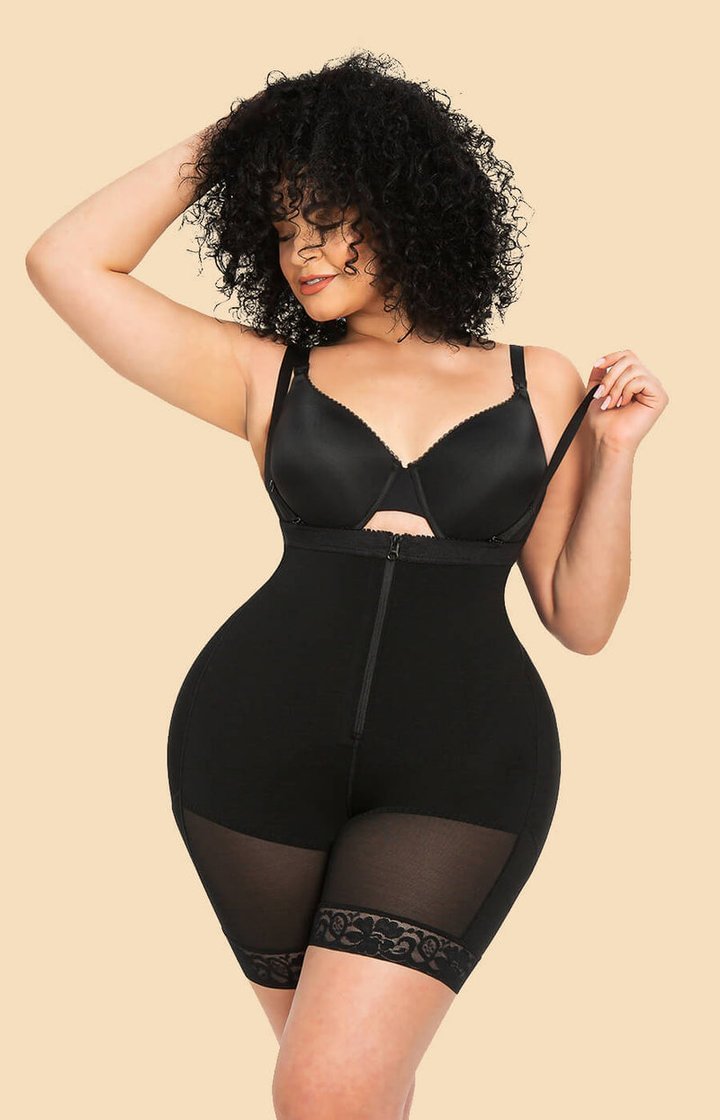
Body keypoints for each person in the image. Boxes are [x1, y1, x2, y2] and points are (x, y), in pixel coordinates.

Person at [25, 49, 669, 1120]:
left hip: (462, 767)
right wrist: (248, 134)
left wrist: (615, 454)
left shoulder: (538, 379)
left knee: (331, 1089)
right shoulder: (263, 374)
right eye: (282, 227)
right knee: (347, 1095)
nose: (303, 252)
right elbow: (66, 261)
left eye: (327, 217)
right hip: (253, 747)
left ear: (407, 201)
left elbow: (582, 617)